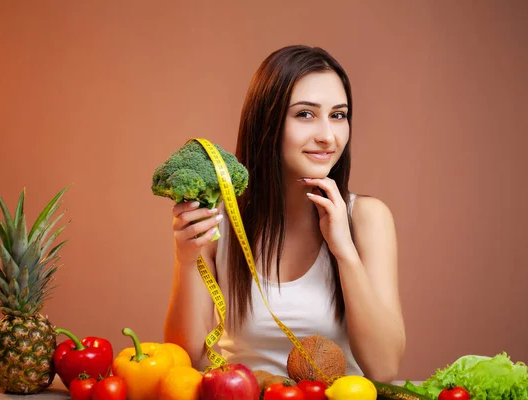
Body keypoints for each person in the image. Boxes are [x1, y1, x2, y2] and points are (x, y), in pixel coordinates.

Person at [163, 45, 405, 383]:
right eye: (305, 114)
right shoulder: (218, 220)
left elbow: (384, 368)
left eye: (338, 114)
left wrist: (344, 250)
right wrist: (186, 259)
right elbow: (186, 360)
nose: (327, 136)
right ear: (267, 122)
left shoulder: (368, 218)